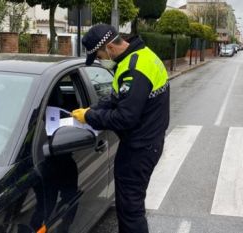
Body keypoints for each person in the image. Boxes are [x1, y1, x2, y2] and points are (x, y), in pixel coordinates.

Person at [71, 24, 170, 233]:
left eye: (98, 55)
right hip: (146, 141)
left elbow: (125, 117)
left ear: (109, 47)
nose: (100, 60)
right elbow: (118, 98)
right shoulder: (139, 57)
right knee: (130, 205)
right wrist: (93, 108)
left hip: (140, 148)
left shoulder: (134, 69)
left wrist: (90, 116)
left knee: (130, 209)